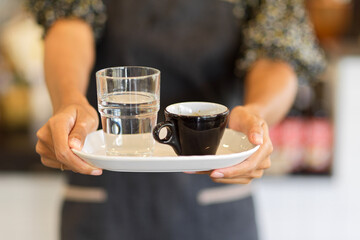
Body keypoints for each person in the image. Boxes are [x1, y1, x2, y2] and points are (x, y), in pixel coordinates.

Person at [28, 0, 325, 239]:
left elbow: (277, 52)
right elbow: (68, 23)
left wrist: (257, 112)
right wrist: (69, 100)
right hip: (102, 204)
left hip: (216, 207)